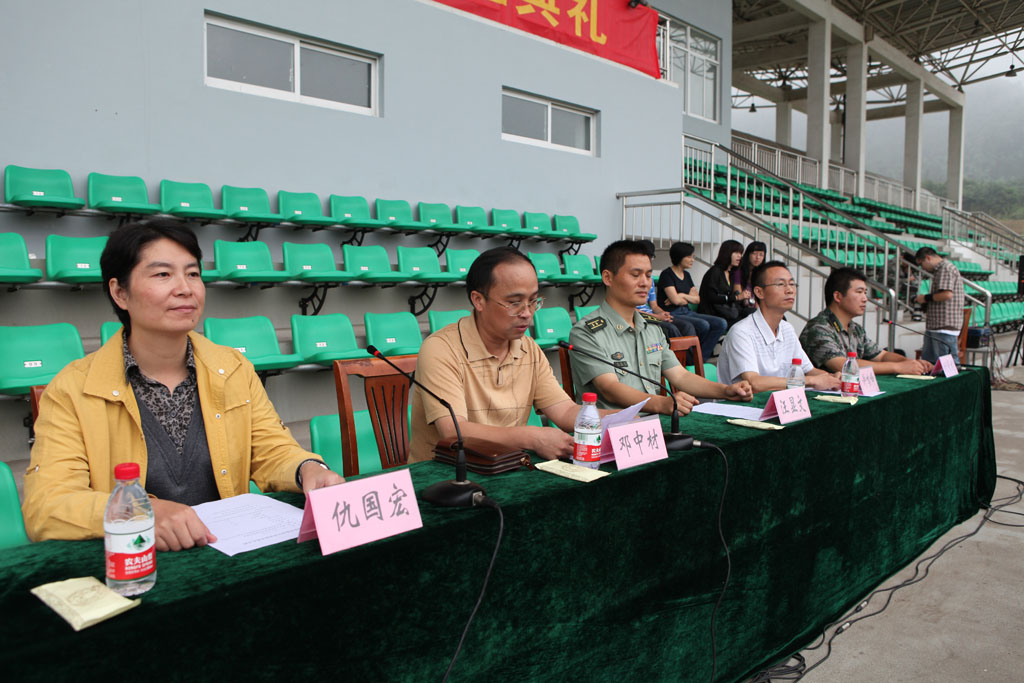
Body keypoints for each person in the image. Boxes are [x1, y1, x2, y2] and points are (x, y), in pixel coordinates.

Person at [22, 220, 343, 548]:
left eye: (193, 273)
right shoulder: (72, 389)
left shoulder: (232, 368)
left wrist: (307, 467)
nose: (185, 288)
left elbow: (271, 450)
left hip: (224, 554)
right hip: (135, 560)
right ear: (120, 293)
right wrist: (139, 512)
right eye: (163, 274)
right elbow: (46, 506)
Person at [409, 247, 606, 463]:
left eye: (533, 301)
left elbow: (566, 411)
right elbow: (454, 431)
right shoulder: (441, 348)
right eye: (514, 303)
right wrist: (532, 437)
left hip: (506, 466)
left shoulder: (529, 348)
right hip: (447, 473)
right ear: (478, 300)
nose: (527, 313)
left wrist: (627, 417)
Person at [569, 240, 752, 413]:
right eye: (635, 275)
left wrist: (725, 390)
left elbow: (680, 376)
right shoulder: (587, 332)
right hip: (611, 428)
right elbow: (609, 388)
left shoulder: (651, 326)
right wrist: (661, 403)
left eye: (648, 275)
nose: (645, 283)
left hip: (654, 424)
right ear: (608, 278)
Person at [718, 260, 842, 393]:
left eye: (792, 284)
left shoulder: (787, 329)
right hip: (743, 404)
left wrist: (832, 378)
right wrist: (811, 381)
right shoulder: (742, 332)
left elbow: (809, 371)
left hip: (779, 401)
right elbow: (754, 383)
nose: (790, 290)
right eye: (781, 284)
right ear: (759, 292)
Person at [800, 267, 933, 375]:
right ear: (838, 296)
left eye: (865, 292)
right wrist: (898, 367)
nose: (865, 299)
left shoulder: (855, 328)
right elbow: (842, 365)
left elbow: (881, 356)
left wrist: (910, 362)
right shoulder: (818, 328)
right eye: (859, 292)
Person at [655, 242, 728, 360]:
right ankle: (695, 359)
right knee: (703, 325)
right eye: (689, 256)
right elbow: (675, 301)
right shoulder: (667, 274)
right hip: (673, 313)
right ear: (679, 256)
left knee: (721, 323)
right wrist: (685, 298)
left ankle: (700, 357)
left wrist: (682, 295)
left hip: (687, 312)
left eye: (693, 256)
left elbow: (697, 299)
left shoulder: (687, 275)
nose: (692, 260)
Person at [913, 246, 966, 363]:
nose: (922, 268)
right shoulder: (941, 270)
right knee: (930, 364)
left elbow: (946, 294)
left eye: (921, 264)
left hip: (944, 325)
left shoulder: (945, 269)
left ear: (928, 258)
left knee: (946, 365)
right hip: (937, 325)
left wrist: (925, 298)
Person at [698, 240, 754, 326]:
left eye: (740, 253)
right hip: (713, 313)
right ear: (727, 253)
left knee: (753, 313)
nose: (739, 256)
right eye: (736, 252)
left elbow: (730, 296)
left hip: (727, 312)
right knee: (746, 323)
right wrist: (737, 297)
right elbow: (711, 297)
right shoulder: (715, 271)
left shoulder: (730, 273)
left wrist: (741, 297)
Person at [733, 241, 766, 308]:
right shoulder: (739, 270)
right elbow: (738, 292)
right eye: (754, 254)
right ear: (748, 254)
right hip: (740, 305)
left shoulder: (761, 272)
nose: (758, 257)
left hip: (753, 306)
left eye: (761, 255)